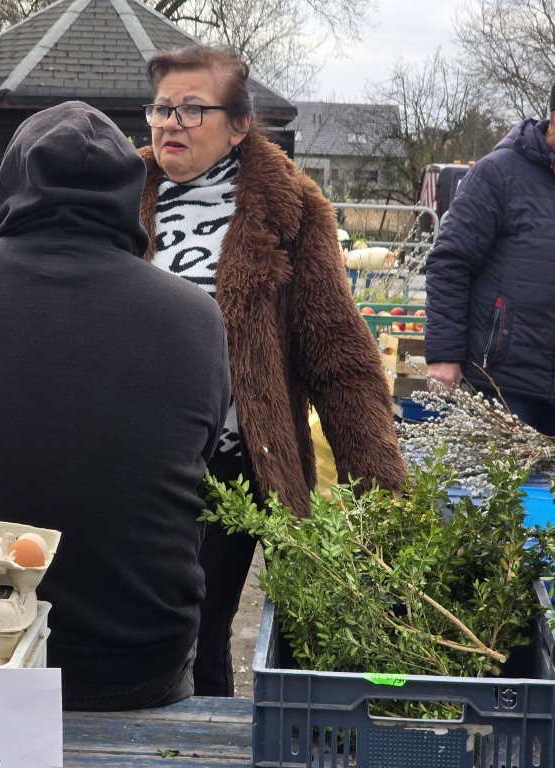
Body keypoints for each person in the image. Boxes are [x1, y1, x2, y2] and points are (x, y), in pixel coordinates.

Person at [0, 101, 232, 711]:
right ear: (131, 196)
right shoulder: (194, 315)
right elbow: (198, 452)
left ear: (10, 185)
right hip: (134, 657)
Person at [137, 44, 407, 697]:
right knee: (134, 637)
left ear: (239, 125)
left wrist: (385, 501)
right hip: (131, 466)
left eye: (192, 109)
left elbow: (340, 361)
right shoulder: (117, 187)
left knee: (201, 633)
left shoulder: (290, 207)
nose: (170, 123)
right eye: (162, 108)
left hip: (232, 467)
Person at [425, 73, 555, 442]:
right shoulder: (498, 174)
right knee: (501, 497)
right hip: (505, 382)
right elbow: (450, 262)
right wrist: (444, 355)